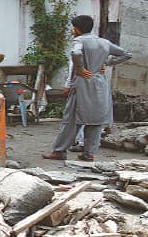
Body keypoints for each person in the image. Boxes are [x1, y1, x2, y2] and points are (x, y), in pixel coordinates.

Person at [43, 15, 132, 161]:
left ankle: (59, 151)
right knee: (96, 119)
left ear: (77, 29)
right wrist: (107, 62)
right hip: (100, 83)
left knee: (71, 118)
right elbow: (126, 54)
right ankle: (89, 153)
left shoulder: (80, 41)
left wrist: (80, 68)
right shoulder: (104, 42)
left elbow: (76, 53)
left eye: (73, 28)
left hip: (83, 82)